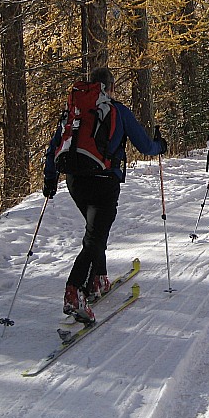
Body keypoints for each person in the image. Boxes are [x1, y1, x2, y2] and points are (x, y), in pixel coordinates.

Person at [43, 66, 167, 323]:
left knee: (95, 232)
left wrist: (50, 179)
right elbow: (145, 146)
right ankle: (75, 290)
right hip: (104, 181)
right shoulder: (117, 111)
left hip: (75, 181)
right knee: (94, 238)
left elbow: (56, 146)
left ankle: (98, 279)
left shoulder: (74, 111)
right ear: (109, 87)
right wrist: (160, 145)